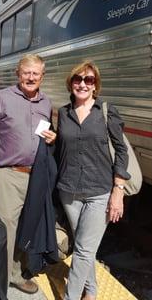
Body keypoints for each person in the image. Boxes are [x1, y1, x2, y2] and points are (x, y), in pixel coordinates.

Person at [0, 54, 56, 294]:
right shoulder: (3, 97)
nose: (31, 77)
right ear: (18, 74)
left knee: (26, 227)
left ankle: (16, 274)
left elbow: (45, 137)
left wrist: (53, 139)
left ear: (42, 76)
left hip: (37, 176)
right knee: (5, 229)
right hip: (9, 174)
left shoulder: (46, 103)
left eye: (35, 73)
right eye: (26, 73)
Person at [55, 60, 130, 300]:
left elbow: (121, 151)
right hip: (69, 191)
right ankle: (92, 293)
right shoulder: (63, 113)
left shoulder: (106, 111)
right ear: (71, 83)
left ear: (95, 85)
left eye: (89, 80)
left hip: (99, 191)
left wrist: (118, 191)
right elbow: (61, 149)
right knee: (82, 248)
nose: (83, 84)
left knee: (84, 251)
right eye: (78, 79)